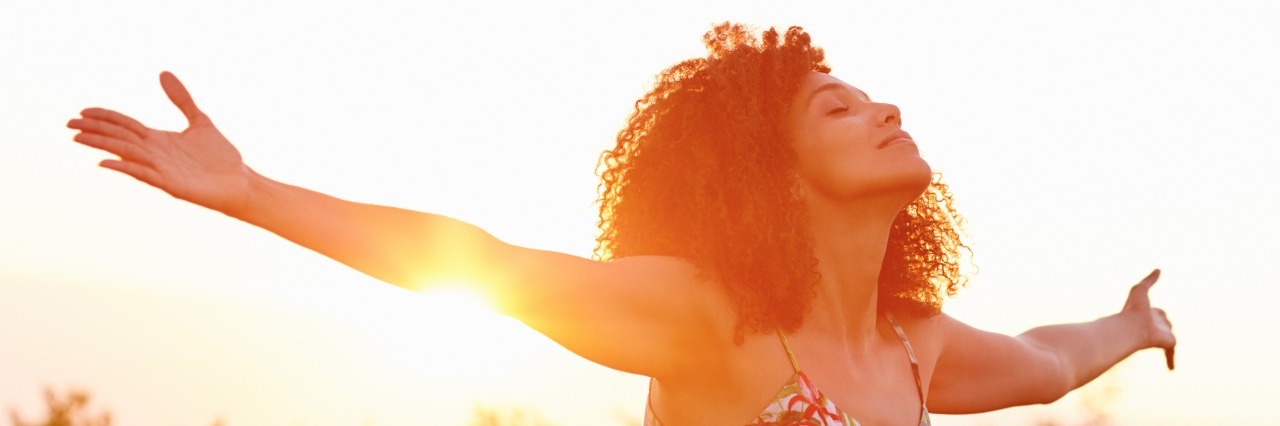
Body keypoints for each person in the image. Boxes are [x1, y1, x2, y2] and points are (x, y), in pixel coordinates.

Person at [65, 23, 1174, 426]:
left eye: (872, 95)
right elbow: (480, 265)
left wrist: (1132, 326)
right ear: (773, 177)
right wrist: (253, 192)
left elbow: (1039, 362)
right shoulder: (703, 320)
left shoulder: (910, 346)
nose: (883, 107)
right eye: (837, 106)